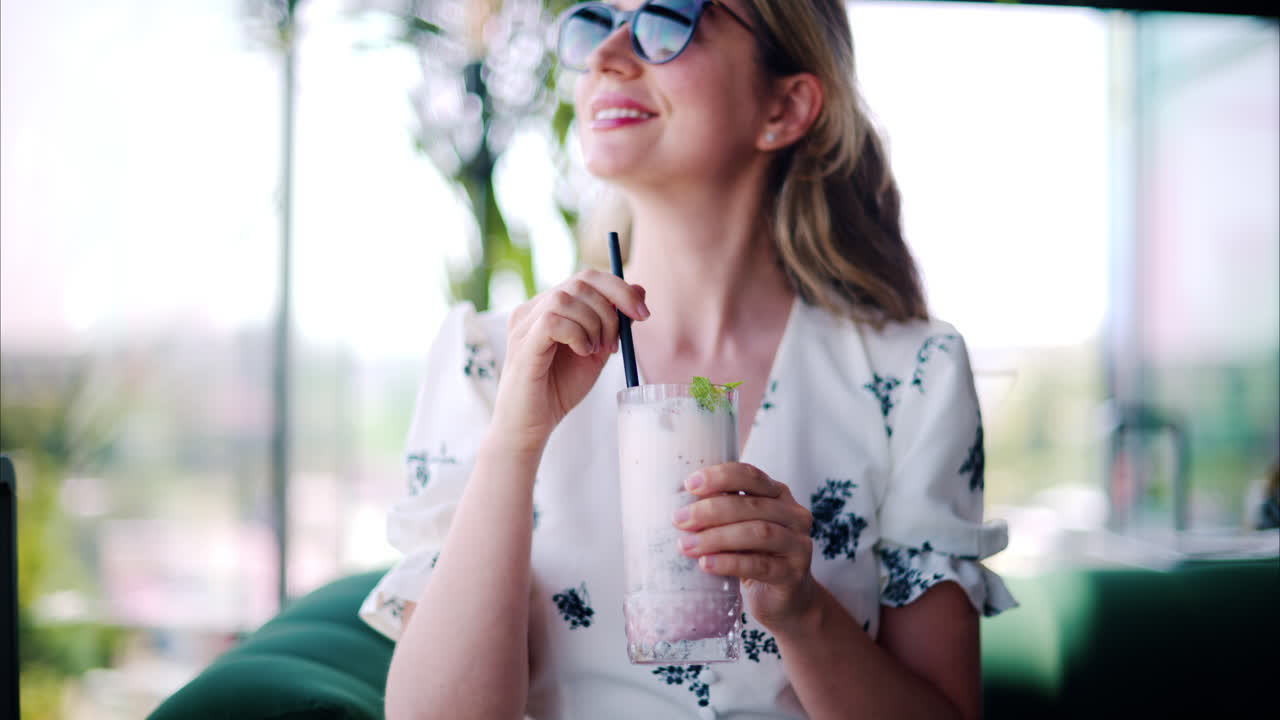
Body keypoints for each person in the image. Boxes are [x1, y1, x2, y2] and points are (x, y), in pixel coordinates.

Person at [360, 1, 1015, 718]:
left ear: (786, 105)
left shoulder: (912, 376)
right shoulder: (488, 364)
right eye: (594, 21)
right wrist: (515, 443)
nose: (607, 55)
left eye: (666, 21)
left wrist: (803, 611)